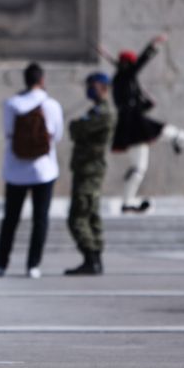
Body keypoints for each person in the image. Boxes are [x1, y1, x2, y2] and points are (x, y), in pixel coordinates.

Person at [103, 34, 184, 213]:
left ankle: (127, 203)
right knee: (165, 139)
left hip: (133, 123)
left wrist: (147, 103)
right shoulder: (124, 77)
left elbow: (136, 102)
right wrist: (152, 47)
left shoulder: (125, 79)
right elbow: (138, 66)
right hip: (134, 124)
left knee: (140, 166)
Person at [0, 63, 64, 279]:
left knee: (10, 219)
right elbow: (56, 136)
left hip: (15, 169)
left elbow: (8, 133)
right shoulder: (51, 105)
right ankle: (33, 265)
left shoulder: (11, 104)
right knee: (40, 219)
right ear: (42, 80)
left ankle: (1, 264)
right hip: (44, 169)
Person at [65, 72, 115, 276]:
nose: (88, 89)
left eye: (91, 85)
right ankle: (94, 260)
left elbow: (77, 129)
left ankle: (91, 257)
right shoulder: (95, 111)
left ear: (102, 87)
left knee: (78, 216)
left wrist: (76, 126)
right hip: (86, 170)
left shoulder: (103, 113)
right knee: (90, 215)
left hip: (90, 171)